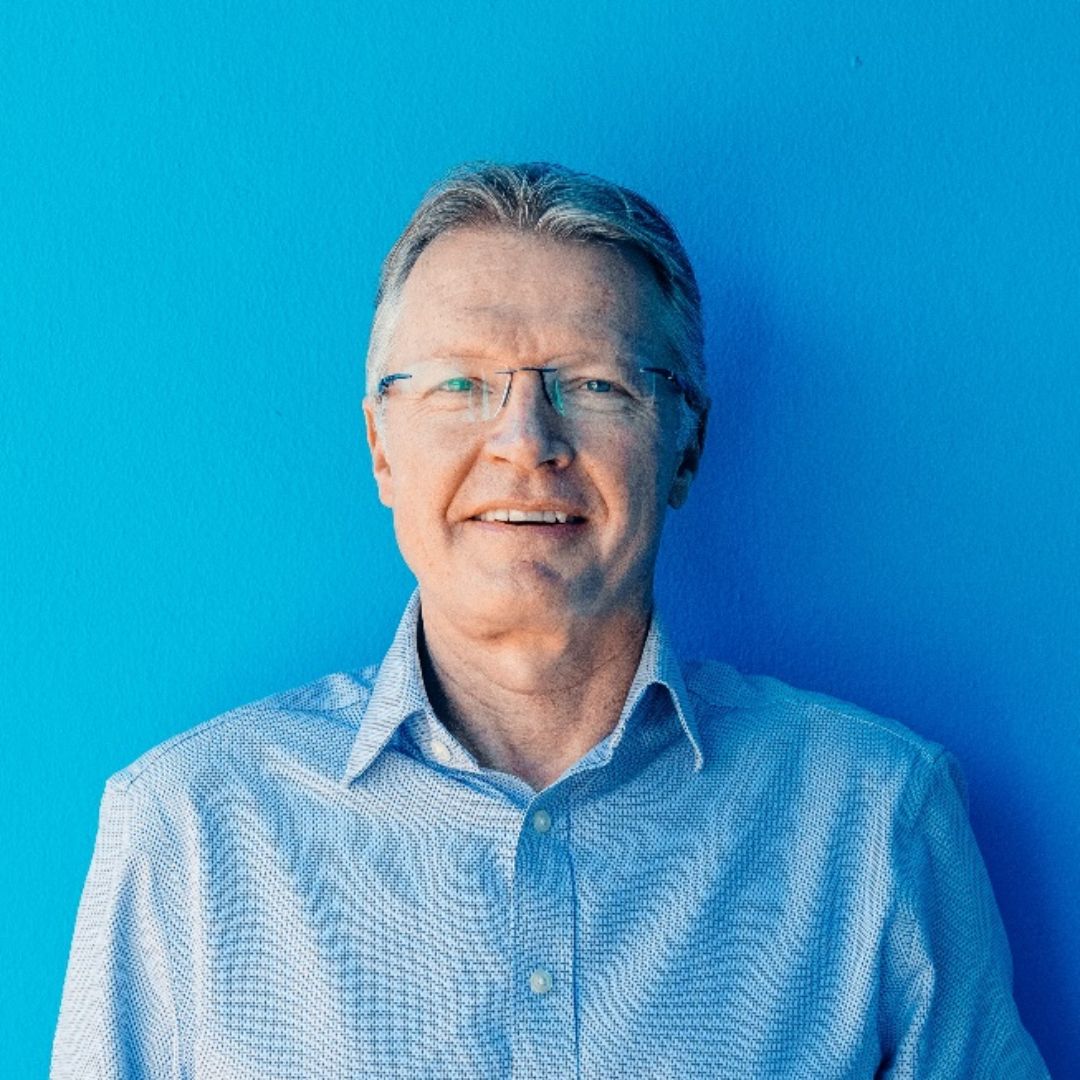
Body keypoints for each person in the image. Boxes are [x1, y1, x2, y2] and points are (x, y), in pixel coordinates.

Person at [53, 162, 1049, 1078]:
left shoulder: (877, 819)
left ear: (686, 445)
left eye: (594, 385)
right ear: (382, 449)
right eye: (461, 384)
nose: (526, 442)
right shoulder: (187, 831)